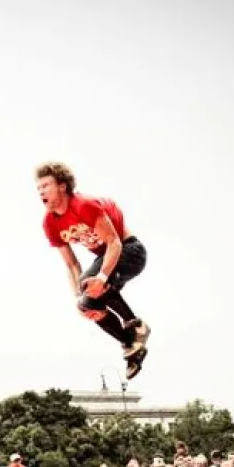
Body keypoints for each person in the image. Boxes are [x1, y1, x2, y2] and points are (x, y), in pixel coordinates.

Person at [37, 161, 151, 378]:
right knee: (86, 303)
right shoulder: (50, 223)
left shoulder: (83, 205)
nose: (41, 191)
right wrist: (81, 299)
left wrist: (101, 276)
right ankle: (131, 347)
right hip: (106, 259)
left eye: (45, 185)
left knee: (93, 281)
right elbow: (71, 264)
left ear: (62, 186)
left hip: (130, 252)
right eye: (38, 188)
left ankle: (135, 323)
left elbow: (114, 243)